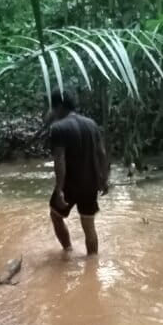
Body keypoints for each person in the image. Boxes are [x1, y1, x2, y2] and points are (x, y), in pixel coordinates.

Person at [47, 88, 109, 255]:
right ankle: (92, 262)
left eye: (52, 108)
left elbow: (60, 159)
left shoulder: (58, 128)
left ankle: (67, 251)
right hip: (91, 183)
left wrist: (59, 189)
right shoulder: (91, 124)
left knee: (56, 216)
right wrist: (104, 179)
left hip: (70, 184)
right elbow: (102, 153)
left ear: (58, 106)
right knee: (89, 226)